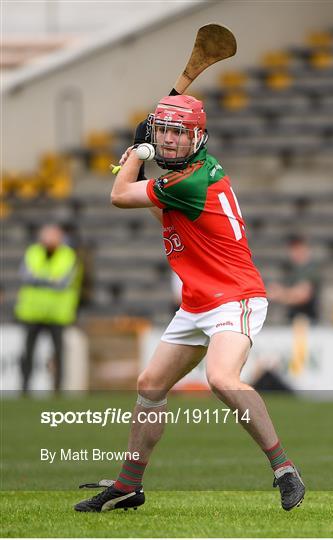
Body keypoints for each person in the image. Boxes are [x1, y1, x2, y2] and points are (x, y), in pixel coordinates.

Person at [74, 95, 305, 513]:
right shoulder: (189, 178)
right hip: (198, 301)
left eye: (178, 133)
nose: (169, 140)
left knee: (221, 378)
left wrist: (138, 153)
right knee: (150, 385)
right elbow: (158, 211)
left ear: (198, 138)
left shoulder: (191, 181)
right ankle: (128, 485)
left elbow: (119, 195)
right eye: (162, 131)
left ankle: (284, 469)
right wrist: (142, 163)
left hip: (235, 296)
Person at [14, 224, 81, 392]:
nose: (50, 239)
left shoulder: (68, 255)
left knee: (58, 354)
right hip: (31, 312)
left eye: (53, 236)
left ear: (60, 238)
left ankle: (57, 388)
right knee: (27, 353)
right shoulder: (32, 252)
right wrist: (51, 279)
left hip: (57, 314)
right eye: (47, 235)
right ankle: (24, 387)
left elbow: (64, 283)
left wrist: (39, 278)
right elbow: (25, 276)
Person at [267, 234, 320, 323]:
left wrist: (281, 294)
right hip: (291, 321)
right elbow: (271, 292)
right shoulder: (289, 269)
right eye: (293, 248)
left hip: (309, 322)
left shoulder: (311, 269)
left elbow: (302, 296)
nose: (295, 252)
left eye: (298, 248)